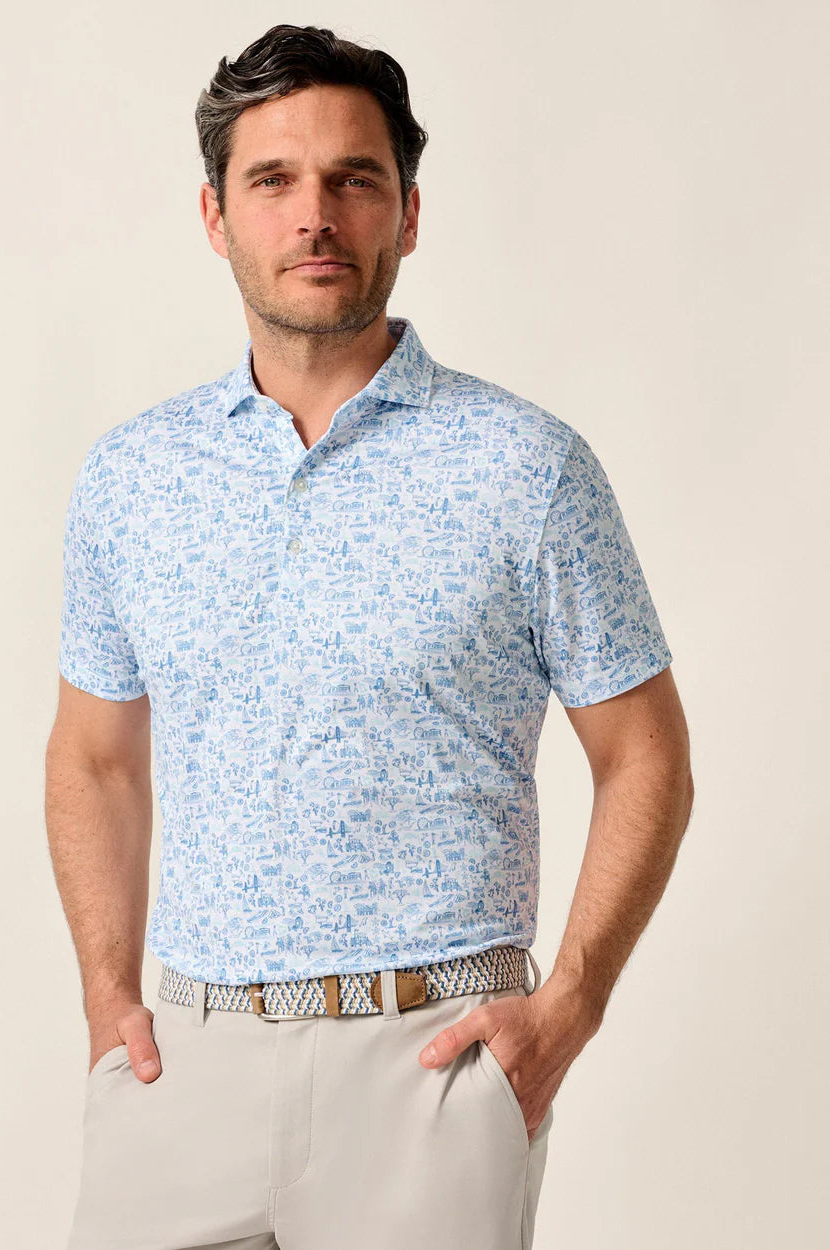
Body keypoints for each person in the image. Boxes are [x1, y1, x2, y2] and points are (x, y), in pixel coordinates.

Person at [46, 22, 694, 1250]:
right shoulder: (131, 478)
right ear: (214, 214)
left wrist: (567, 1007)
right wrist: (104, 995)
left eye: (354, 178)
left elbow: (645, 750)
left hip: (432, 1064)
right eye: (273, 180)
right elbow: (95, 755)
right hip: (181, 1065)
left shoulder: (527, 468)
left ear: (408, 211)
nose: (315, 216)